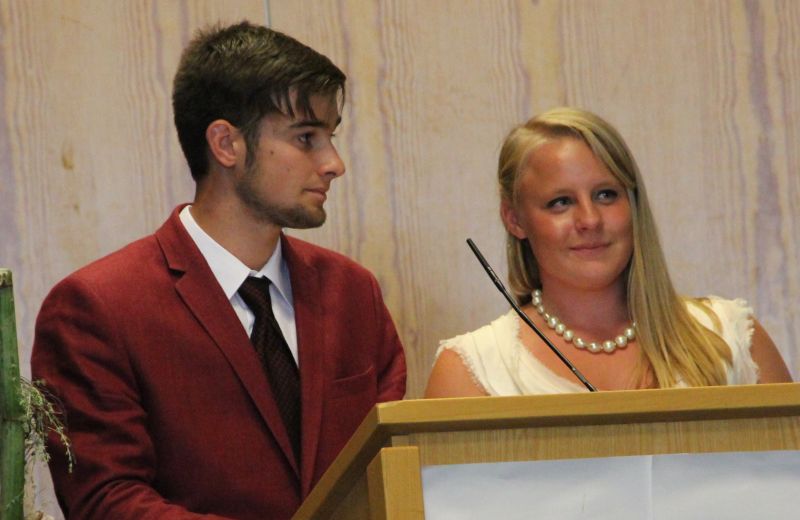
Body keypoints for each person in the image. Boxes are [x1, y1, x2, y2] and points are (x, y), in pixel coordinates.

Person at [32, 21, 406, 519]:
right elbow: (107, 499)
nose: (334, 163)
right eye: (306, 137)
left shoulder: (352, 292)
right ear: (226, 143)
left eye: (330, 137)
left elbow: (391, 465)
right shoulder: (98, 306)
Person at [425, 107, 791, 397]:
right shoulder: (471, 371)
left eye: (606, 195)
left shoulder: (732, 338)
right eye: (560, 202)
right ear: (514, 219)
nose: (589, 220)